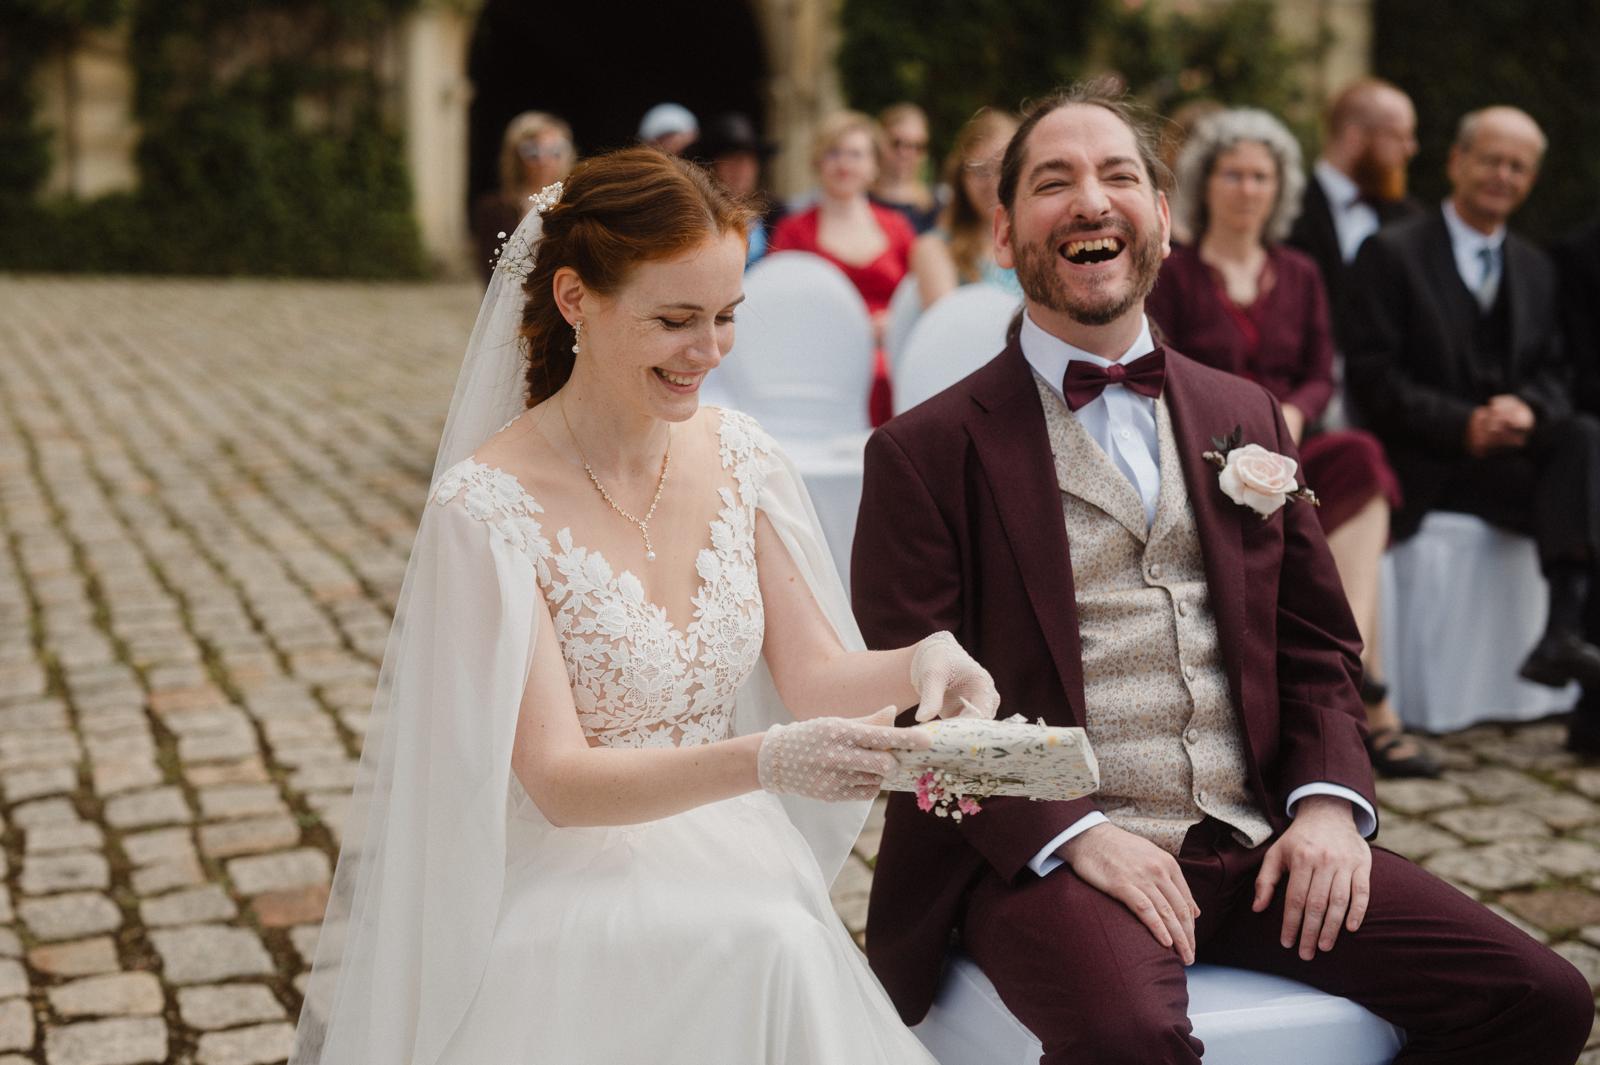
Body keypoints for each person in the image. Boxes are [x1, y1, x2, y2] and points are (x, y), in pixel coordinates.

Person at [852, 81, 1592, 1064]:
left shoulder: (1241, 410)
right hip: (1051, 860)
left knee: (1539, 997)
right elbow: (922, 714)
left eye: (1119, 175)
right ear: (1000, 232)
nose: (1090, 200)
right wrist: (1073, 834)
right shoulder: (924, 450)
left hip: (1253, 843)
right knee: (1129, 1039)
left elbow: (1316, 643)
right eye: (1051, 181)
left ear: (1161, 219)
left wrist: (1328, 804)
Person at [289, 148, 1003, 1065]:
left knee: (775, 936)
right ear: (576, 299)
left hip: (738, 855)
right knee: (767, 941)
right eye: (676, 320)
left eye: (727, 317)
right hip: (568, 874)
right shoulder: (486, 507)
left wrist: (920, 661)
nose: (709, 352)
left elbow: (818, 674)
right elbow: (556, 778)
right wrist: (770, 757)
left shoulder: (744, 455)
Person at [1145, 108, 1430, 778]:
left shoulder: (1300, 271)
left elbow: (1317, 370)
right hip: (1204, 453)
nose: (1248, 188)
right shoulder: (1176, 274)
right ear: (1205, 184)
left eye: (1262, 176)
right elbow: (1166, 372)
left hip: (1294, 448)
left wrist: (1293, 416)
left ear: (1280, 189)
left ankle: (1348, 670)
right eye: (1234, 173)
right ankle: (1364, 706)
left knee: (1360, 456)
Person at [1345, 107, 1600, 751]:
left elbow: (1556, 371)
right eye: (1490, 159)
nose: (1502, 175)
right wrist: (1464, 425)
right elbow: (1374, 377)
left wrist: (1528, 410)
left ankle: (1562, 632)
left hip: (1508, 461)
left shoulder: (1537, 267)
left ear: (1532, 179)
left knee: (1584, 438)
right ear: (1456, 162)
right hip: (1428, 464)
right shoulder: (1392, 252)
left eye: (1517, 166)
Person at [770, 110, 916, 424]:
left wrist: (896, 322)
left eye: (856, 154)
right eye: (834, 152)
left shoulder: (899, 227)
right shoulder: (793, 230)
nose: (844, 163)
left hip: (894, 363)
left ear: (874, 165)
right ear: (818, 161)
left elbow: (918, 297)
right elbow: (778, 304)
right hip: (819, 363)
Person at [1286, 78, 1422, 351]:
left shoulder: (1413, 219)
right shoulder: (1286, 210)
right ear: (1354, 137)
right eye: (1399, 136)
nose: (1410, 149)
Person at [909, 107, 1022, 309]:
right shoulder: (935, 249)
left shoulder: (1036, 242)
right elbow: (948, 327)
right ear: (961, 179)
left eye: (1003, 169)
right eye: (979, 170)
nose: (993, 182)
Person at [471, 111, 576, 283]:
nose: (544, 160)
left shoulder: (577, 202)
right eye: (533, 151)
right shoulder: (495, 208)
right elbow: (492, 273)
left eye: (555, 150)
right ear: (515, 156)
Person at [686, 112, 776, 266]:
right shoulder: (695, 215)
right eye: (731, 160)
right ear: (713, 166)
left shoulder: (777, 214)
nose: (740, 169)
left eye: (748, 161)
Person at [872, 102, 942, 234]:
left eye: (917, 146)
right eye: (897, 143)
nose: (906, 153)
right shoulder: (858, 199)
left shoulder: (937, 207)